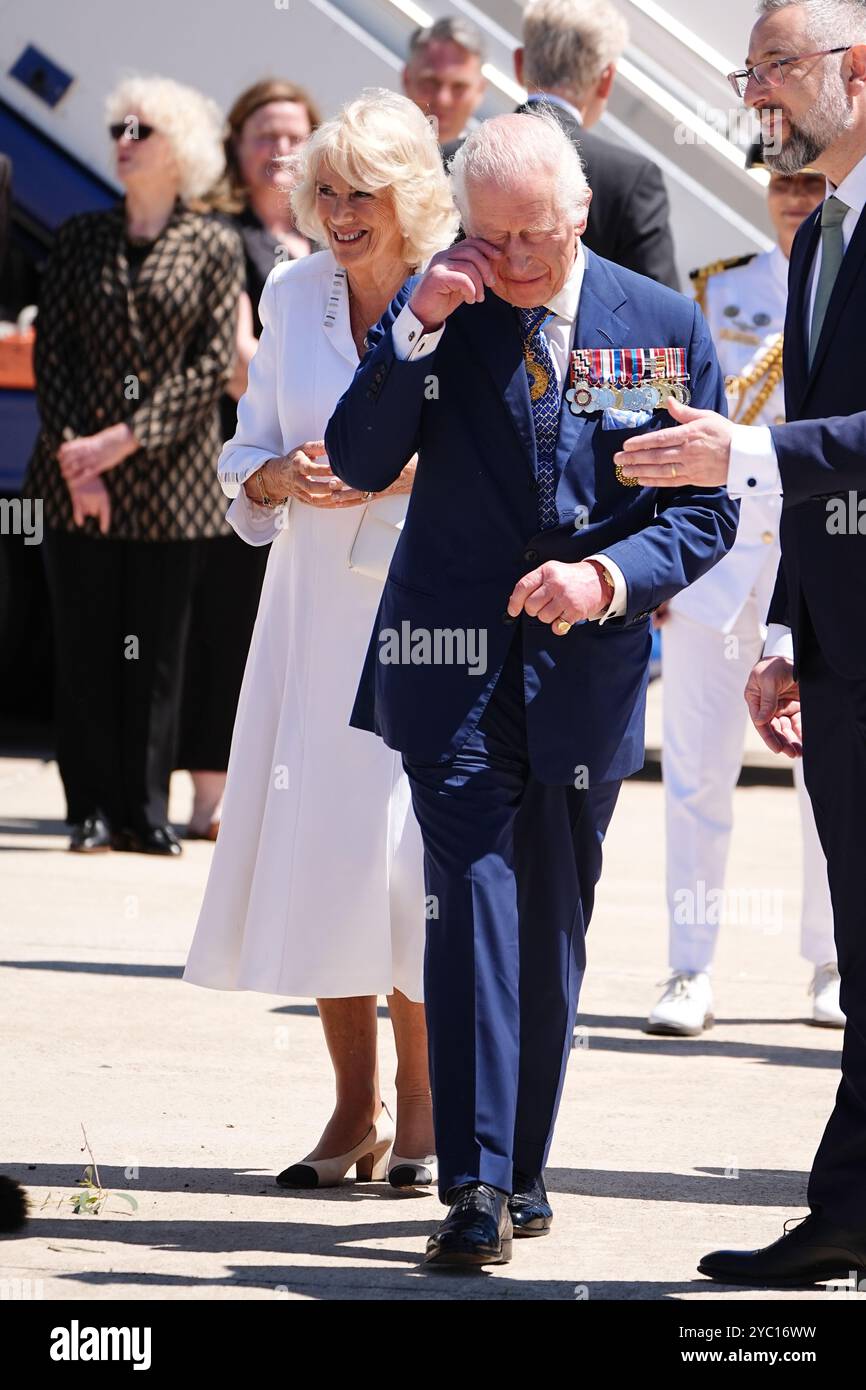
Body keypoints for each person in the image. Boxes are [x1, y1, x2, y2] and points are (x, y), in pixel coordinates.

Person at [325, 110, 738, 1267]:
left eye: (533, 239)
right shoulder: (440, 311)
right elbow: (358, 461)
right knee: (469, 903)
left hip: (584, 671)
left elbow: (702, 510)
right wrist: (411, 324)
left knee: (550, 924)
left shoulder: (652, 327)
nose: (509, 261)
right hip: (445, 664)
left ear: (580, 216)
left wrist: (608, 573)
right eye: (487, 235)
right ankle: (473, 1185)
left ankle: (521, 1161)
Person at [617, 0, 866, 1288]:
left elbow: (807, 442)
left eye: (773, 67)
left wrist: (744, 447)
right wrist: (786, 630)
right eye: (747, 68)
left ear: (854, 69)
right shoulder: (819, 227)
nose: (752, 92)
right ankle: (846, 1212)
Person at [184, 91, 460, 1190]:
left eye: (365, 194)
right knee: (329, 859)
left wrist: (410, 473)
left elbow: (504, 458)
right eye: (328, 192)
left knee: (411, 868)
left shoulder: (460, 296)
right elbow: (240, 456)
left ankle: (431, 1113)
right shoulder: (290, 292)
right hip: (310, 616)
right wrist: (269, 475)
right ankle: (354, 1112)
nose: (342, 213)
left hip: (429, 613)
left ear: (413, 198)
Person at [646, 148, 841, 1036]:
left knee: (829, 773)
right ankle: (690, 969)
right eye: (782, 183)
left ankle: (831, 963)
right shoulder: (717, 289)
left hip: (820, 551)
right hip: (718, 560)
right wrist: (653, 557)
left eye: (811, 183)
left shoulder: (847, 280)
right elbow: (664, 423)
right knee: (693, 771)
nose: (795, 198)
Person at [22, 76, 243, 856]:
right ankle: (87, 809)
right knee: (83, 645)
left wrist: (121, 441)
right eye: (119, 127)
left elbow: (210, 363)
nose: (123, 140)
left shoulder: (213, 243)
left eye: (141, 129)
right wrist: (79, 458)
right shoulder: (81, 236)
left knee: (154, 655)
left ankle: (145, 808)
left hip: (171, 482)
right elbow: (56, 356)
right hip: (71, 475)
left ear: (177, 148)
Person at [177, 79, 322, 841]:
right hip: (242, 465)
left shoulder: (332, 243)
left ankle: (282, 797)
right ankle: (210, 798)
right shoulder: (222, 236)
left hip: (323, 474)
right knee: (227, 629)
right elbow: (240, 365)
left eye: (295, 134)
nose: (280, 149)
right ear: (237, 146)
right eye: (264, 134)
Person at [515, 0, 679, 289]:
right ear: (606, 80)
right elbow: (660, 312)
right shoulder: (631, 179)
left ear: (519, 64)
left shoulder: (451, 157)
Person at [402, 16, 487, 161]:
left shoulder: (487, 172)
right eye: (431, 82)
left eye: (459, 87)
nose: (443, 100)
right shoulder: (369, 154)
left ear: (480, 90)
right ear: (407, 79)